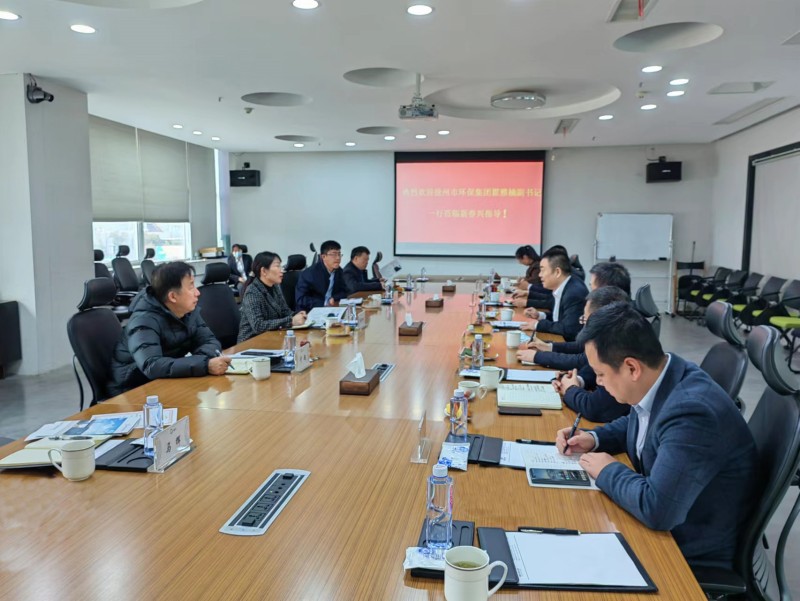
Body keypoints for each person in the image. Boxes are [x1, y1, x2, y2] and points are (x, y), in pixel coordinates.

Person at [556, 302, 758, 570]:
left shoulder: (692, 413)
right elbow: (641, 420)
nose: (599, 382)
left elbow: (658, 509)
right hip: (666, 525)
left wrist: (608, 470)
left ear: (632, 368)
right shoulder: (666, 373)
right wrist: (594, 438)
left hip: (685, 550)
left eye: (601, 374)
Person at [109, 261, 231, 396]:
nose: (197, 292)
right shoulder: (143, 321)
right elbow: (152, 365)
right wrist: (204, 365)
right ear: (173, 296)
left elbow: (210, 341)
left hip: (166, 381)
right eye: (191, 287)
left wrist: (202, 361)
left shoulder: (187, 312)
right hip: (133, 391)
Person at [516, 261, 631, 368]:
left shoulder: (618, 324)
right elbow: (583, 346)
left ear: (607, 291)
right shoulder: (615, 313)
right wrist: (549, 346)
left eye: (592, 288)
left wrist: (538, 356)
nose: (590, 293)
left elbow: (583, 360)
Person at [519, 249, 588, 341]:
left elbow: (569, 329)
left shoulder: (574, 293)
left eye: (542, 270)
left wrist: (537, 325)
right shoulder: (564, 286)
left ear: (557, 272)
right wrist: (539, 315)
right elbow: (560, 317)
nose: (540, 275)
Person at [238, 251, 307, 342]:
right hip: (251, 342)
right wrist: (291, 321)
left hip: (271, 338)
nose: (282, 270)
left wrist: (297, 315)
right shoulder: (252, 292)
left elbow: (285, 311)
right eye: (277, 266)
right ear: (264, 271)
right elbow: (258, 326)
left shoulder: (275, 287)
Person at [295, 240, 348, 311]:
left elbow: (344, 291)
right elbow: (301, 299)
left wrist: (333, 298)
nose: (338, 258)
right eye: (334, 254)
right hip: (310, 311)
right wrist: (324, 303)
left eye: (339, 254)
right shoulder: (309, 274)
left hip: (330, 308)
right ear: (323, 257)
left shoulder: (339, 271)